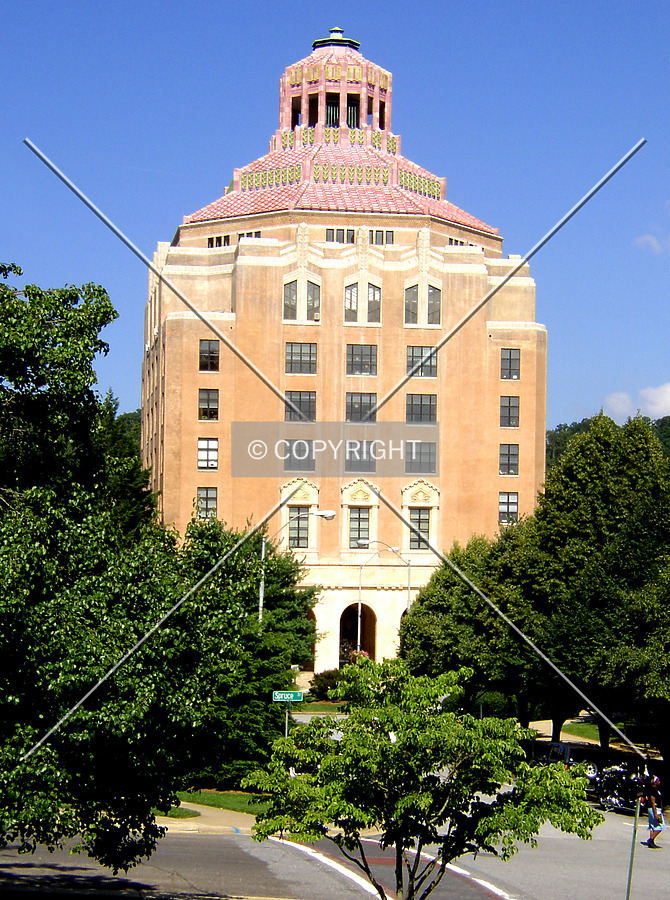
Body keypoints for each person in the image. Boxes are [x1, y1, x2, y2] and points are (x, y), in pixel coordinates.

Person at [645, 775, 665, 848]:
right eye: (658, 781)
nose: (660, 782)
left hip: (654, 809)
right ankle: (650, 839)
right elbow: (653, 802)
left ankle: (652, 843)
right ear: (655, 782)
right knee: (660, 826)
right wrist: (655, 813)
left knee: (653, 826)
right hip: (654, 809)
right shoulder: (653, 790)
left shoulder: (656, 789)